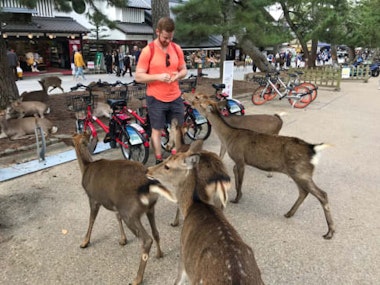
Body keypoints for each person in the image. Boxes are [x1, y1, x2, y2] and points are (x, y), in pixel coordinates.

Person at [135, 17, 188, 164]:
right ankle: (159, 159)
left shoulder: (176, 48)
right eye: (165, 37)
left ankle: (174, 157)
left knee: (177, 129)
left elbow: (184, 69)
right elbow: (138, 76)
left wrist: (178, 75)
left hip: (175, 96)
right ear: (157, 32)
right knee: (157, 130)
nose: (168, 41)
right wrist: (158, 77)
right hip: (156, 98)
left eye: (170, 37)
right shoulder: (148, 51)